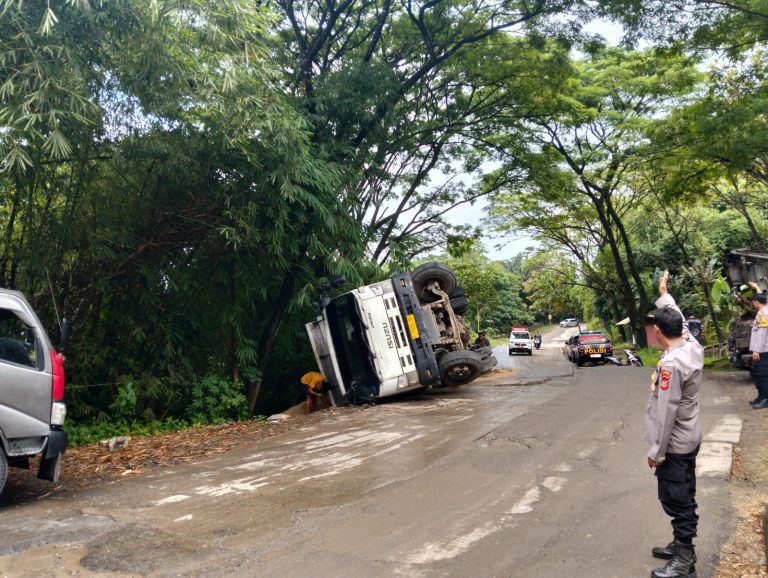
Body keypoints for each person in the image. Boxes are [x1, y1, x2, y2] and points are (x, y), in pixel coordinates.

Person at [645, 271, 703, 578]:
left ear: (657, 331)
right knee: (686, 492)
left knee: (676, 499)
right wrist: (665, 293)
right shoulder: (691, 345)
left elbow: (666, 412)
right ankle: (680, 544)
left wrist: (658, 450)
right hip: (691, 436)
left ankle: (684, 561)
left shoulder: (671, 363)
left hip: (675, 443)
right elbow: (677, 318)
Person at [748, 291, 768, 410]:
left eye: (753, 301)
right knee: (760, 374)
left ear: (756, 301)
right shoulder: (765, 311)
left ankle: (765, 399)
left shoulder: (762, 314)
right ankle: (761, 397)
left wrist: (757, 350)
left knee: (762, 374)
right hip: (764, 349)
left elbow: (761, 333)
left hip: (763, 350)